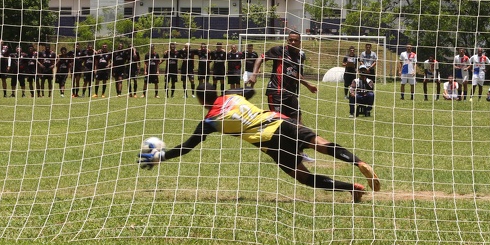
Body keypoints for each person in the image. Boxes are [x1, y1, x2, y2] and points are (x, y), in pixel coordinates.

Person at [140, 84, 381, 203]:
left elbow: (187, 147)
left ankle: (353, 188)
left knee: (303, 177)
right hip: (280, 121)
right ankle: (360, 162)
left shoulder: (210, 120)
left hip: (270, 140)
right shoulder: (233, 96)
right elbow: (251, 91)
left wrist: (160, 157)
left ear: (202, 101)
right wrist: (236, 89)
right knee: (322, 144)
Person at [247, 31, 318, 124]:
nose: (293, 42)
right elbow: (260, 58)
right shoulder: (279, 50)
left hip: (291, 93)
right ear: (287, 41)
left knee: (297, 121)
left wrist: (308, 85)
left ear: (300, 42)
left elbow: (296, 75)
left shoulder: (300, 56)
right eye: (291, 40)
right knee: (279, 123)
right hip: (276, 92)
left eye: (295, 40)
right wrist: (254, 75)